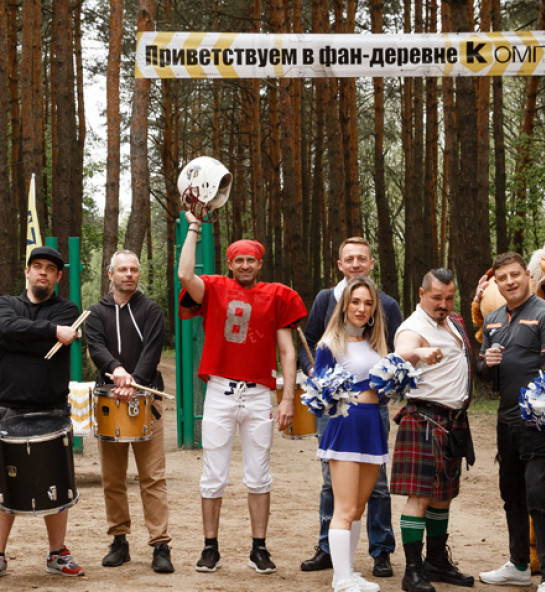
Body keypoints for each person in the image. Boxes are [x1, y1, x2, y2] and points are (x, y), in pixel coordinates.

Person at [177, 213, 307, 575]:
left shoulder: (277, 295)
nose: (245, 265)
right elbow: (185, 275)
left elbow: (287, 352)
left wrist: (287, 397)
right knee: (213, 474)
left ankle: (258, 548)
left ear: (260, 263)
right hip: (220, 390)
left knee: (259, 474)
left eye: (251, 260)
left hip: (259, 393)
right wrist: (194, 227)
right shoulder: (215, 288)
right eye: (239, 260)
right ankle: (210, 547)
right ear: (230, 263)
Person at [301, 236, 401, 578]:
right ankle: (333, 559)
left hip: (373, 417)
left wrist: (395, 383)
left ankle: (378, 552)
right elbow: (312, 343)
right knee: (335, 488)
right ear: (340, 264)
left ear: (371, 263)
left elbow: (395, 355)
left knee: (371, 492)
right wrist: (316, 377)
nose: (362, 308)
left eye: (362, 258)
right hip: (342, 418)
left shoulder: (386, 310)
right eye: (349, 258)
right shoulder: (326, 304)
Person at [477, 252, 545, 592]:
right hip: (505, 420)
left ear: (527, 275)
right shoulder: (492, 319)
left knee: (538, 495)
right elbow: (483, 375)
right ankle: (518, 565)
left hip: (538, 421)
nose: (510, 282)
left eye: (515, 275)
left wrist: (542, 412)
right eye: (502, 278)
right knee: (510, 493)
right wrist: (487, 362)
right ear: (496, 284)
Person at [84, 249, 174, 574]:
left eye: (133, 270)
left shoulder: (151, 310)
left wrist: (135, 380)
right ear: (111, 274)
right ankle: (119, 540)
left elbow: (152, 349)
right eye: (122, 269)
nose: (129, 275)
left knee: (152, 477)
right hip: (110, 401)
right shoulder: (96, 313)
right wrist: (117, 370)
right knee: (113, 478)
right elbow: (97, 348)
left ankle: (160, 545)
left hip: (146, 400)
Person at [0, 246, 84, 577]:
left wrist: (19, 338)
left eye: (50, 268)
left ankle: (57, 554)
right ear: (27, 271)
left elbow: (13, 334)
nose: (43, 272)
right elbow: (6, 327)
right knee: (4, 484)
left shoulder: (68, 309)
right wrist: (51, 333)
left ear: (58, 276)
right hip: (9, 409)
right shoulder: (6, 304)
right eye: (37, 266)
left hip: (52, 409)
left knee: (56, 482)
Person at [390, 269, 475, 592]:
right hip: (425, 420)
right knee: (420, 497)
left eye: (449, 298)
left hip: (453, 423)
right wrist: (418, 353)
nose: (444, 304)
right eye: (437, 297)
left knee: (443, 497)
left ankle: (436, 562)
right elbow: (399, 355)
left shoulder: (452, 322)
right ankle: (412, 572)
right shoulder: (413, 327)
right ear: (421, 294)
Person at [314, 276, 389, 592]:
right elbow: (319, 393)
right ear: (344, 305)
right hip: (346, 425)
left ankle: (348, 572)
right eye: (356, 302)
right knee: (344, 509)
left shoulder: (376, 345)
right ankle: (341, 579)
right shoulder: (329, 345)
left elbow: (382, 391)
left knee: (358, 507)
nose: (361, 308)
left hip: (372, 425)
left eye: (368, 303)